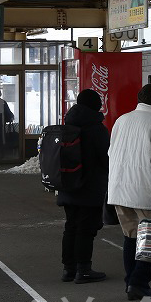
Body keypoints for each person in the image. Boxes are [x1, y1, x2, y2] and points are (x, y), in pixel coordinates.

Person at [107, 84, 151, 302]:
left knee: (131, 237)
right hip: (145, 192)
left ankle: (131, 283)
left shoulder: (122, 120)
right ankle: (139, 284)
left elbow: (111, 153)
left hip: (118, 189)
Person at [58, 89, 110, 284]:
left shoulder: (68, 124)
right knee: (86, 228)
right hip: (90, 188)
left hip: (68, 185)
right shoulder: (96, 128)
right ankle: (84, 269)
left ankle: (68, 269)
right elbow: (106, 158)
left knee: (70, 226)